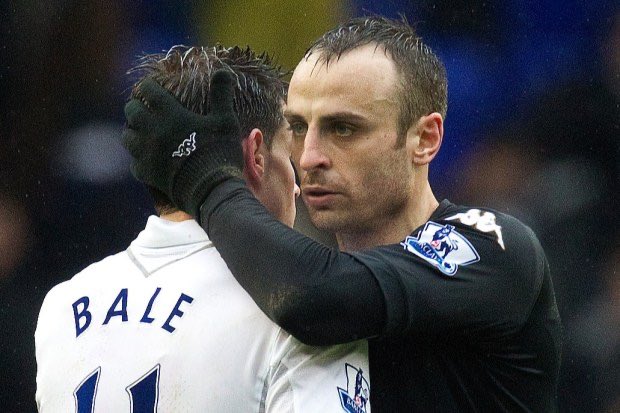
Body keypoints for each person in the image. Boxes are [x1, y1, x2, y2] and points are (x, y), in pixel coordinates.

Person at [123, 16, 562, 412]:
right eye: (298, 127)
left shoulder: (494, 249)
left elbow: (315, 297)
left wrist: (209, 180)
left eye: (343, 128)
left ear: (425, 139)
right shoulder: (291, 275)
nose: (309, 157)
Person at [35, 45, 370, 412]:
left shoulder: (60, 308)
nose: (296, 187)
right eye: (289, 155)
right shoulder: (301, 311)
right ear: (256, 155)